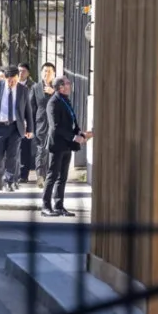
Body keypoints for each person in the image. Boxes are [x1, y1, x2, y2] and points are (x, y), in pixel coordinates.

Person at [42, 76, 91, 217]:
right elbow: (55, 126)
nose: (70, 85)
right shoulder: (53, 102)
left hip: (66, 145)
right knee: (52, 176)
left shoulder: (65, 100)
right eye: (68, 83)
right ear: (61, 87)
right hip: (57, 145)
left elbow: (72, 121)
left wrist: (78, 132)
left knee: (62, 177)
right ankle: (46, 207)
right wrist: (73, 137)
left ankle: (58, 206)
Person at [30, 62, 56, 188]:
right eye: (45, 71)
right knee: (41, 149)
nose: (47, 73)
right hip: (41, 123)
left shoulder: (58, 87)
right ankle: (40, 176)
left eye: (49, 71)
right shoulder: (35, 88)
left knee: (52, 150)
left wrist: (54, 93)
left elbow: (65, 103)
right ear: (41, 73)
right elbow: (31, 107)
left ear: (54, 74)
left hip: (55, 124)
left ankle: (50, 176)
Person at [16, 63, 36, 182]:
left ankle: (24, 175)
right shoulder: (13, 84)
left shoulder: (33, 87)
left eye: (23, 71)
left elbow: (34, 105)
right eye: (19, 71)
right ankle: (12, 173)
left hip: (27, 122)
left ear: (28, 73)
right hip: (13, 121)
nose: (21, 73)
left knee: (25, 149)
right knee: (12, 148)